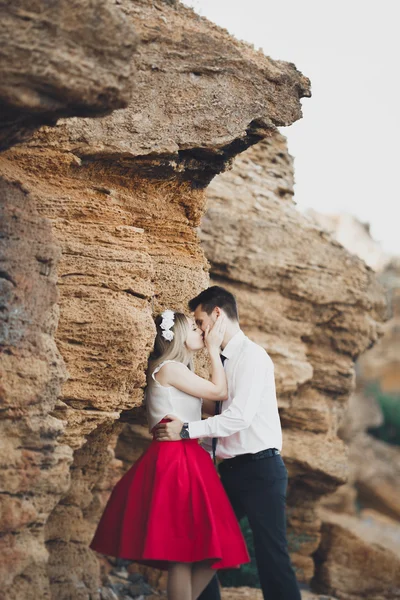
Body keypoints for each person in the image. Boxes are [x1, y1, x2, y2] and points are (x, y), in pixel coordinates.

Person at [89, 309, 250, 600]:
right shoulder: (168, 368)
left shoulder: (182, 372)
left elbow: (214, 408)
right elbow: (219, 392)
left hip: (191, 458)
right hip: (175, 460)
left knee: (212, 550)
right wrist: (214, 350)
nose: (201, 332)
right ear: (176, 336)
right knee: (182, 553)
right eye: (193, 329)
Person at [155, 286, 302, 600]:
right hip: (230, 472)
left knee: (272, 558)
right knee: (203, 547)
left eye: (199, 320)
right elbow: (216, 409)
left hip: (261, 470)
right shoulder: (221, 360)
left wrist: (184, 431)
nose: (199, 328)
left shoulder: (252, 357)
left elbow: (238, 418)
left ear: (216, 314)